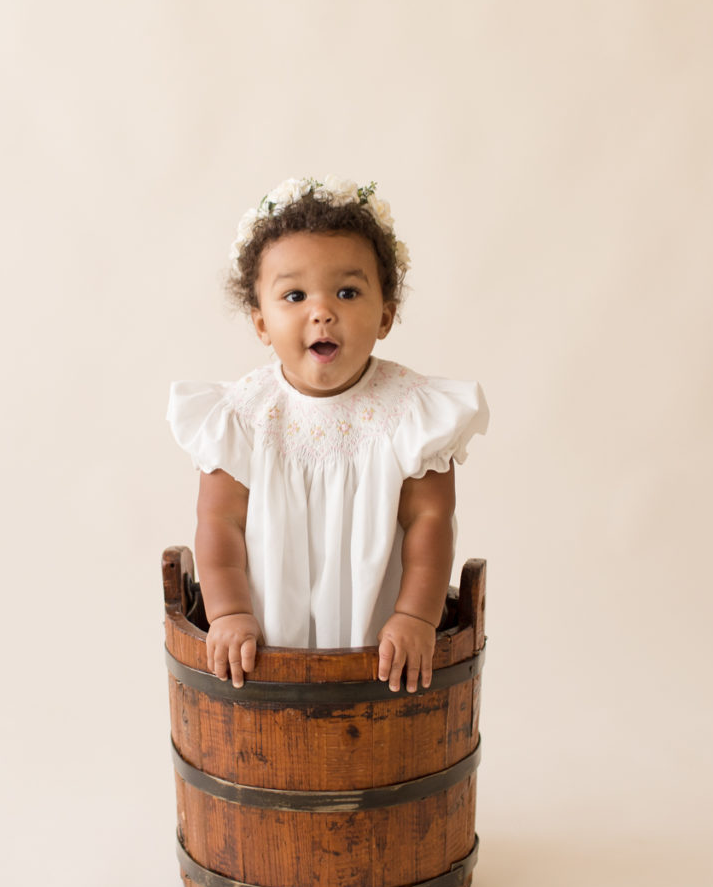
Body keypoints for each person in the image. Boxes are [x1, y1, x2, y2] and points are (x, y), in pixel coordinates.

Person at [167, 176, 488, 694]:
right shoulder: (244, 415)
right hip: (268, 644)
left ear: (385, 315)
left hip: (377, 646)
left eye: (347, 291)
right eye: (294, 295)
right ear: (261, 324)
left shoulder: (411, 413)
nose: (322, 310)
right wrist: (227, 612)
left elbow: (431, 519)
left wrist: (415, 616)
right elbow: (220, 521)